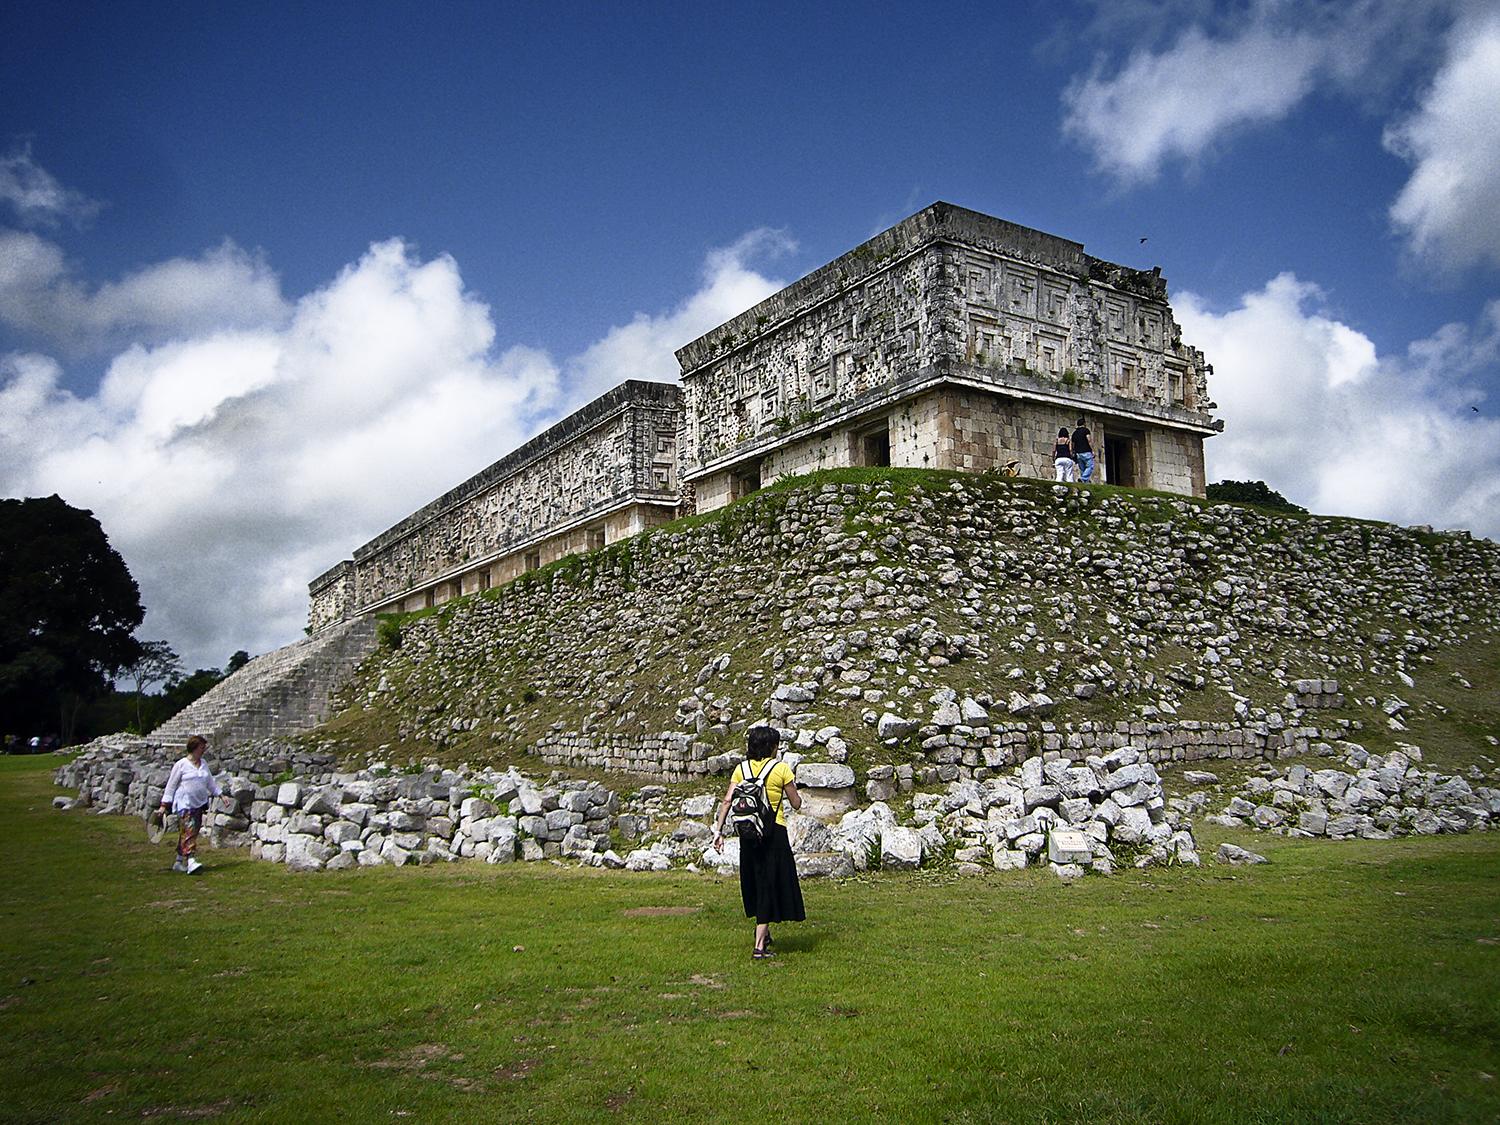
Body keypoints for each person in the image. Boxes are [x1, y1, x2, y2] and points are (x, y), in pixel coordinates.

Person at [712, 726, 805, 959]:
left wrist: (718, 831)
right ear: (772, 747)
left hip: (748, 833)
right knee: (770, 883)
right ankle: (759, 946)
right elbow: (796, 803)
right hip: (774, 833)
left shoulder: (740, 769)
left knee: (755, 880)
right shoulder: (781, 768)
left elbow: (727, 801)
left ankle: (765, 932)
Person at [160, 735, 221, 874]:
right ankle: (191, 861)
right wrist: (164, 805)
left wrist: (221, 795)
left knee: (189, 832)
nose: (203, 750)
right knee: (190, 830)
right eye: (201, 747)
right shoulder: (181, 765)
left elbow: (210, 783)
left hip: (199, 804)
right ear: (194, 748)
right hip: (184, 803)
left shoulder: (203, 763)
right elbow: (171, 786)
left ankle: (178, 861)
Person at [1071, 417, 1095, 483]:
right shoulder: (1086, 430)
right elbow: (1089, 440)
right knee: (1090, 466)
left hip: (1078, 453)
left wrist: (1073, 452)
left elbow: (1073, 444)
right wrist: (1092, 450)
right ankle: (1083, 478)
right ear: (1084, 424)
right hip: (1086, 451)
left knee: (1082, 469)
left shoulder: (1074, 433)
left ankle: (1084, 483)